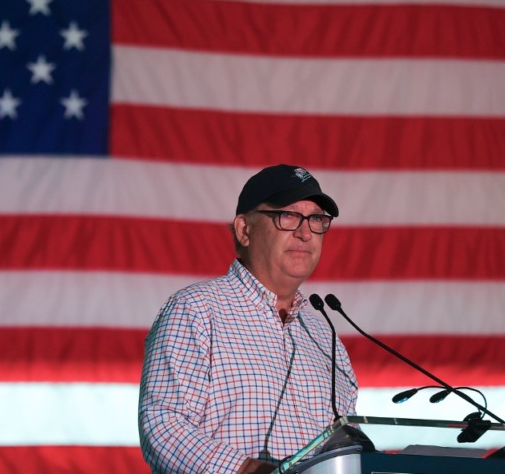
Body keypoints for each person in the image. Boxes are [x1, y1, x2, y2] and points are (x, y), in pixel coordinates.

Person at [138, 164, 359, 473]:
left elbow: (345, 445)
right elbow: (164, 426)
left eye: (317, 219)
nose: (305, 232)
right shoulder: (196, 310)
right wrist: (247, 471)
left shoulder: (324, 334)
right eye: (288, 216)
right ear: (244, 230)